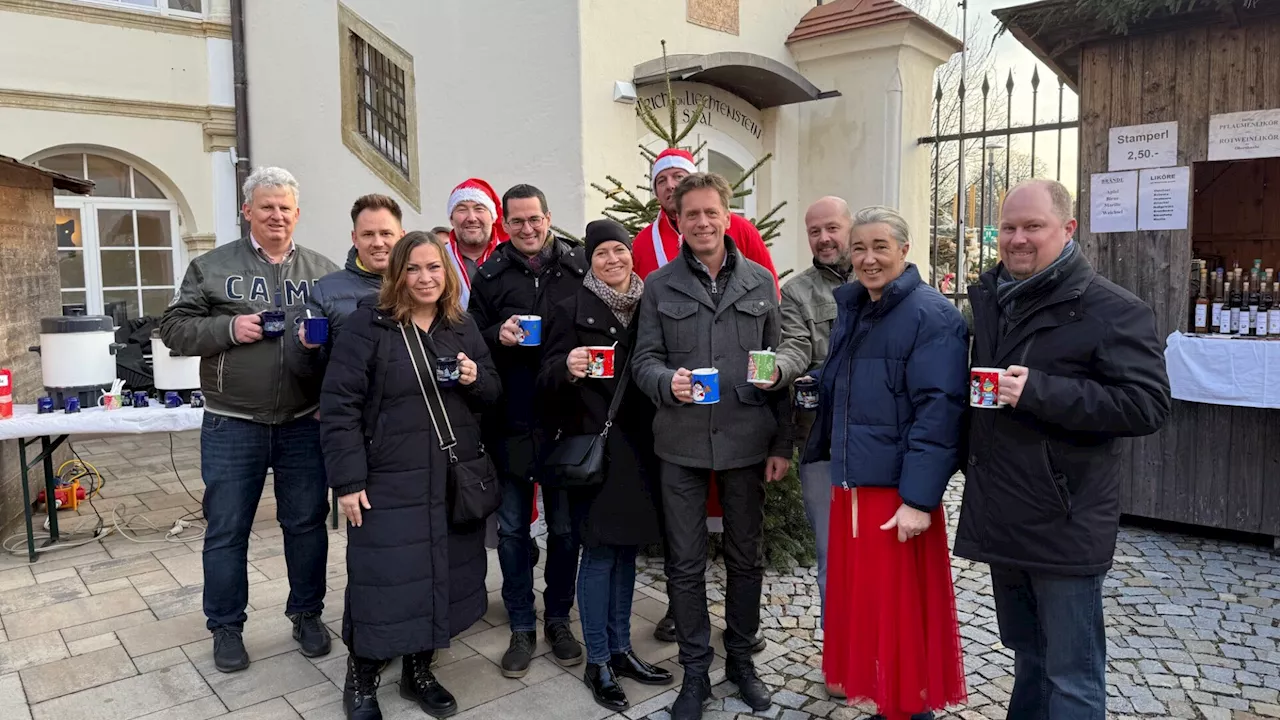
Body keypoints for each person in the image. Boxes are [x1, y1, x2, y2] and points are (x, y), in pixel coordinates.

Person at [954, 180, 1171, 720]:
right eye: (1008, 227)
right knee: (1028, 656)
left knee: (1071, 674)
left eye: (1033, 227)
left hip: (1066, 517)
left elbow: (1147, 406)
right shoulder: (992, 298)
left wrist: (1038, 391)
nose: (1018, 239)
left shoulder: (1113, 309)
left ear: (1068, 229)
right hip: (1005, 511)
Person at [160, 166, 338, 673]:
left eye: (285, 207)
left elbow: (345, 343)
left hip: (304, 421)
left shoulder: (323, 272)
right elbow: (173, 328)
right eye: (267, 207)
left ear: (297, 214)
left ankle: (306, 614)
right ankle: (226, 626)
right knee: (227, 528)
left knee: (305, 525)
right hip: (231, 421)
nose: (277, 215)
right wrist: (229, 327)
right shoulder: (211, 267)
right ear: (247, 211)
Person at [632, 172, 792, 720]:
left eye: (710, 213)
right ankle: (695, 671)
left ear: (728, 217)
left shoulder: (759, 283)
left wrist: (781, 442)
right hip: (680, 441)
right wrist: (663, 382)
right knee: (685, 561)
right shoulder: (658, 285)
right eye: (690, 214)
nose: (701, 222)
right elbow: (642, 360)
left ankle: (742, 661)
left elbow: (778, 364)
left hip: (747, 439)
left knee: (747, 558)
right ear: (677, 219)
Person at [319, 231, 496, 720]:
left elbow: (493, 391)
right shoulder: (367, 328)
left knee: (441, 574)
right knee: (384, 580)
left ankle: (419, 671)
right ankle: (362, 678)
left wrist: (474, 377)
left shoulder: (460, 327)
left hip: (449, 478)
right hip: (387, 480)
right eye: (414, 269)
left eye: (434, 268)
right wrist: (349, 483)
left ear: (447, 273)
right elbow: (339, 409)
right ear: (397, 275)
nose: (425, 278)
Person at [803, 206, 968, 720]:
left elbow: (939, 412)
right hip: (854, 481)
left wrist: (918, 499)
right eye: (859, 248)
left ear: (904, 250)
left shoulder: (930, 315)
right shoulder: (858, 308)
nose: (868, 258)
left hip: (895, 494)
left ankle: (910, 711)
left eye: (879, 247)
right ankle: (888, 704)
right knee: (872, 613)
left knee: (900, 615)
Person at [538, 219, 675, 711]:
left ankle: (621, 650)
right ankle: (597, 660)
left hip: (643, 449)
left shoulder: (650, 304)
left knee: (625, 554)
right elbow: (545, 378)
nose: (613, 260)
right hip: (595, 448)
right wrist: (567, 368)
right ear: (589, 262)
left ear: (631, 255)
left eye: (619, 250)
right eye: (602, 254)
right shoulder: (569, 307)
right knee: (598, 555)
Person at [468, 184, 588, 677]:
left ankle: (558, 619)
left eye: (534, 219)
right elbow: (468, 337)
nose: (527, 228)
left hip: (566, 421)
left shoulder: (578, 268)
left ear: (548, 216)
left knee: (564, 531)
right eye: (516, 221)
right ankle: (521, 624)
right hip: (511, 422)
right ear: (505, 223)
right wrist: (498, 333)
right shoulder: (490, 274)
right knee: (514, 531)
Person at [772, 197, 853, 632]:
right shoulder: (798, 291)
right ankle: (840, 654)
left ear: (850, 227)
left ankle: (882, 650)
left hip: (880, 442)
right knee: (832, 552)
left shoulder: (881, 276)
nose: (823, 238)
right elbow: (795, 348)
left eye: (832, 228)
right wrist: (780, 372)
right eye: (814, 231)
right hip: (820, 440)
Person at [298, 194, 405, 355]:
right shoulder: (326, 290)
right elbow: (308, 369)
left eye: (386, 233)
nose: (377, 243)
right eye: (368, 234)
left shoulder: (422, 285)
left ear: (402, 237)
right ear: (355, 238)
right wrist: (304, 348)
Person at [445, 178, 508, 308]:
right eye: (462, 210)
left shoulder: (510, 257)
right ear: (451, 219)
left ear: (493, 217)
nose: (472, 218)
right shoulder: (439, 258)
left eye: (479, 209)